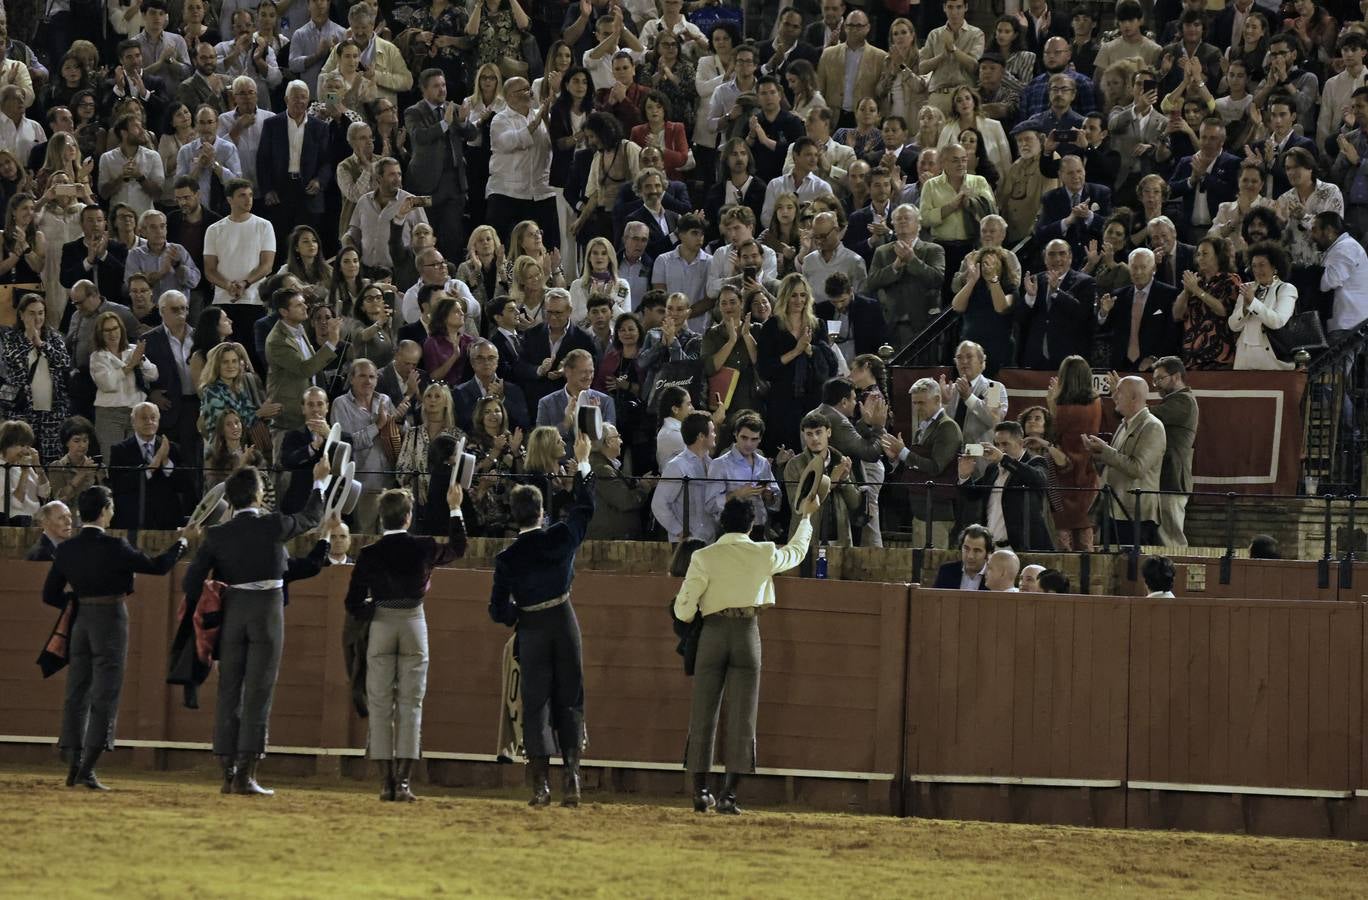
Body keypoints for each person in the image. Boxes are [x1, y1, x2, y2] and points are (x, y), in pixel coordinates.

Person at [181, 451, 332, 795]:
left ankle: (227, 773)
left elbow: (190, 584)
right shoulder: (273, 524)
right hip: (266, 611)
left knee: (229, 690)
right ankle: (246, 775)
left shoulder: (217, 535)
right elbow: (310, 517)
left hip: (233, 611)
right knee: (259, 691)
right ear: (258, 494)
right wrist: (319, 480)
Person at [672, 488, 818, 815]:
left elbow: (683, 611)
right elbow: (796, 552)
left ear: (722, 525)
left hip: (712, 633)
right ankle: (729, 796)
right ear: (751, 526)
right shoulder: (764, 552)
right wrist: (806, 517)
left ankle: (700, 792)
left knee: (703, 712)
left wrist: (692, 616)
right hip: (747, 633)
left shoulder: (704, 557)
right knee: (743, 716)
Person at [43, 484, 192, 790]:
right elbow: (158, 567)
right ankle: (87, 769)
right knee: (105, 694)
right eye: (110, 508)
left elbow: (50, 594)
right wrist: (182, 543)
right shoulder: (117, 547)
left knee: (77, 692)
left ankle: (74, 767)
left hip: (81, 621)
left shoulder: (66, 549)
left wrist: (76, 604)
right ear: (104, 511)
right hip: (110, 620)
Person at [488, 432, 595, 808]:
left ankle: (540, 786)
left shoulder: (507, 559)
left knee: (534, 704)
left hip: (532, 627)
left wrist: (519, 616)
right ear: (542, 513)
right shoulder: (561, 537)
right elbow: (585, 510)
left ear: (515, 517)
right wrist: (583, 462)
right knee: (570, 697)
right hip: (563, 620)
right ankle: (572, 777)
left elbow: (497, 610)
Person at [344, 480, 468, 802]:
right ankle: (403, 783)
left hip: (382, 624)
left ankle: (385, 783)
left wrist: (376, 606)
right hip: (413, 622)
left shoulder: (369, 554)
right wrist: (455, 508)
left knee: (381, 704)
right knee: (411, 705)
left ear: (381, 518)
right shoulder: (424, 546)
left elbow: (352, 603)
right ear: (408, 517)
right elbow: (457, 548)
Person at [404, 68, 479, 264]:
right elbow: (420, 137)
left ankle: (451, 275)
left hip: (453, 185)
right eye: (436, 86)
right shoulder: (414, 111)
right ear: (424, 89)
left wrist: (462, 121)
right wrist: (445, 123)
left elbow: (472, 135)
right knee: (426, 235)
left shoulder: (452, 108)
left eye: (443, 85)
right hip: (424, 186)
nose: (442, 90)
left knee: (452, 236)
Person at [1084, 374, 1166, 547]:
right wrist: (1097, 454)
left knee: (1131, 569)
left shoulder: (1152, 426)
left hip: (1134, 514)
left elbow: (1137, 468)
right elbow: (1114, 462)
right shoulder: (1124, 424)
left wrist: (1106, 451)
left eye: (1119, 392)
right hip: (1113, 509)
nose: (1114, 397)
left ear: (1134, 397)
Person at [1031, 354, 1100, 552]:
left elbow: (1053, 435)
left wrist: (1051, 405)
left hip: (1063, 470)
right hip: (1087, 470)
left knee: (1062, 533)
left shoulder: (1063, 407)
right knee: (1085, 531)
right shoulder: (1096, 403)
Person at [957, 421, 1054, 551]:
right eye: (997, 444)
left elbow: (1039, 480)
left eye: (1005, 444)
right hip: (991, 546)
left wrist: (1003, 459)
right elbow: (972, 495)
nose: (1000, 449)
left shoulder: (1035, 461)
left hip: (1021, 547)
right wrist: (964, 477)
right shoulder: (993, 469)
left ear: (1020, 443)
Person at [864, 203, 945, 354]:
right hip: (890, 324)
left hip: (922, 324)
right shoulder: (882, 252)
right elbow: (871, 283)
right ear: (893, 225)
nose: (902, 221)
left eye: (907, 218)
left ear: (918, 224)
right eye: (898, 219)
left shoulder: (933, 250)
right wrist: (894, 267)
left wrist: (912, 260)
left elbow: (937, 279)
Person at [1017, 239, 1097, 371]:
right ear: (1045, 258)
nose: (1057, 258)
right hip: (1035, 359)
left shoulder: (1085, 282)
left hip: (1068, 361)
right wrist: (1030, 297)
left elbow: (1083, 315)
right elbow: (1019, 318)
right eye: (1052, 254)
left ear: (1070, 257)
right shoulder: (1034, 281)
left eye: (1062, 254)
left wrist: (1057, 292)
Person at [1098, 248, 1180, 372]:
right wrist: (1104, 312)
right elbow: (1105, 330)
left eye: (1143, 267)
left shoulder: (1168, 294)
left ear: (1153, 269)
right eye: (1134, 267)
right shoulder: (1118, 295)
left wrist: (1155, 358)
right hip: (1121, 364)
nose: (1138, 272)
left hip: (1155, 366)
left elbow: (1172, 333)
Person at [1148, 357, 1198, 549]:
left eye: (1160, 379)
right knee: (1162, 536)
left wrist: (1128, 399)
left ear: (1176, 376)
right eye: (1155, 380)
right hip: (1164, 476)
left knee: (1172, 536)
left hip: (1173, 477)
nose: (1156, 385)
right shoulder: (1175, 400)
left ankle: (1175, 575)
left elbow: (1147, 414)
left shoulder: (1184, 402)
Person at [1173, 237, 1239, 370]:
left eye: (1205, 254)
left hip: (1219, 357)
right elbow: (1177, 315)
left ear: (1218, 256)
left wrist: (1197, 290)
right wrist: (1186, 291)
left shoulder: (1230, 280)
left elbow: (1223, 310)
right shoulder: (1196, 281)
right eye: (1198, 254)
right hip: (1192, 358)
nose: (1200, 258)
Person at [1229, 241, 1297, 371]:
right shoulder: (1247, 288)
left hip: (1273, 363)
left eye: (1262, 265)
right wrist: (1244, 308)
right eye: (1254, 266)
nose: (1257, 270)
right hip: (1245, 361)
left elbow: (1277, 321)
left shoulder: (1286, 289)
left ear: (1274, 267)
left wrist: (1253, 302)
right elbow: (1233, 325)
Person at [652, 411, 718, 545]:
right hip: (687, 544)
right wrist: (679, 531)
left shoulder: (712, 464)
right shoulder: (677, 466)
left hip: (711, 541)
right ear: (701, 436)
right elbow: (659, 504)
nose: (715, 435)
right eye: (712, 431)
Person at [1313, 212, 1368, 341]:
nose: (1312, 236)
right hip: (1344, 324)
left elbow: (1327, 283)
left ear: (1329, 231)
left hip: (1348, 326)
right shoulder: (1340, 247)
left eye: (1315, 230)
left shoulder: (1346, 248)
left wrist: (1311, 274)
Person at [932, 524, 992, 589]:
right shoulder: (946, 571)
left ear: (987, 554)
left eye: (977, 551)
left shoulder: (994, 577)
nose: (970, 556)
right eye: (966, 549)